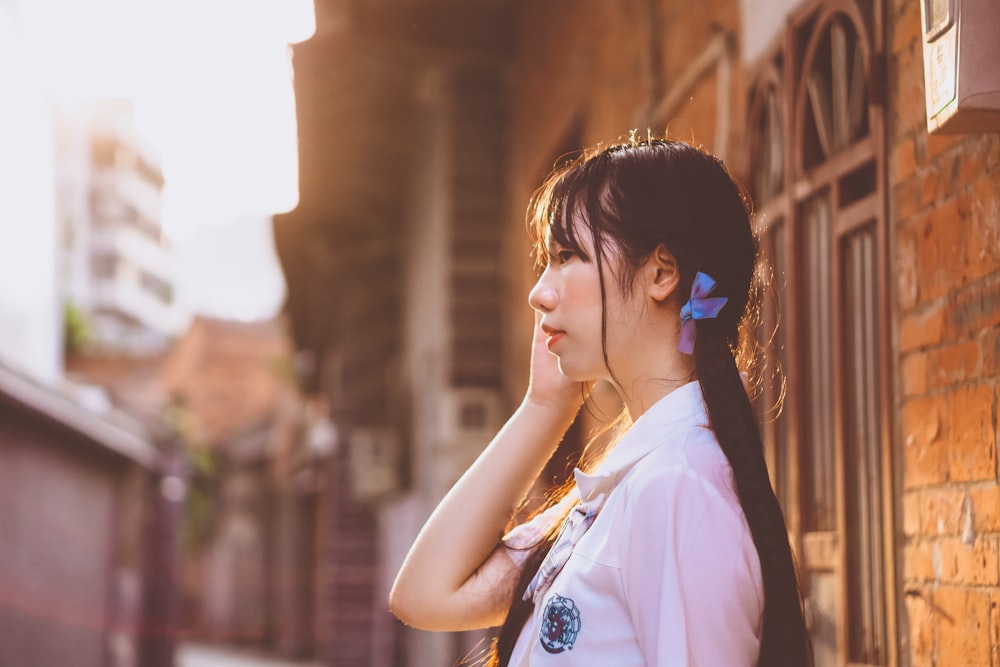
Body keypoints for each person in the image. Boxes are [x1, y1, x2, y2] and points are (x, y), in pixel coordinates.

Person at [390, 137, 812, 666]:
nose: (539, 293)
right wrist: (544, 408)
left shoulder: (675, 489)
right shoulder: (628, 483)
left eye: (567, 256)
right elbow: (425, 594)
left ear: (662, 273)